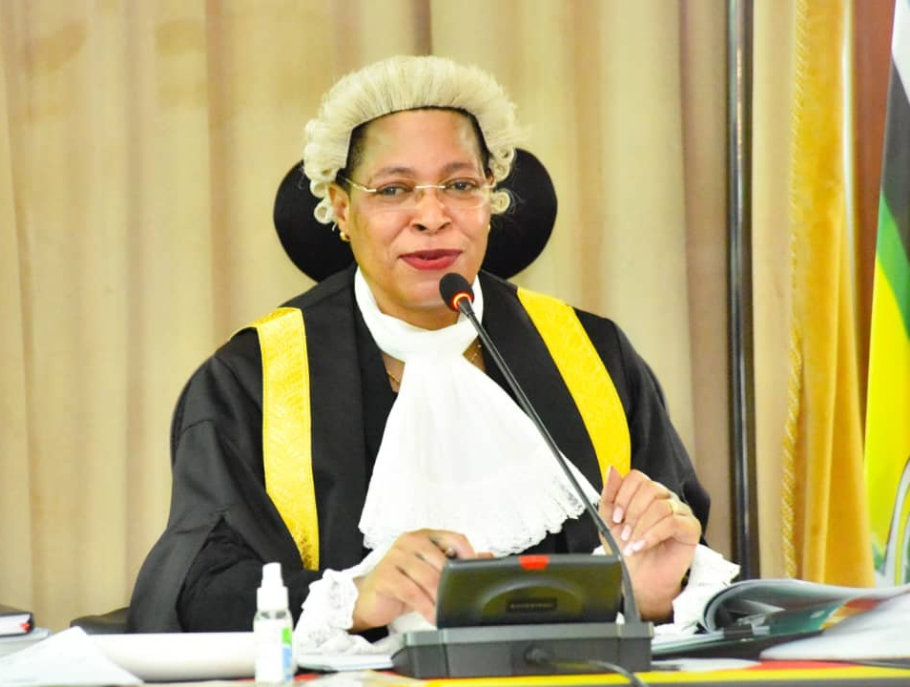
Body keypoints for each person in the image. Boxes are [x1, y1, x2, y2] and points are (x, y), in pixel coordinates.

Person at [127, 56, 737, 648]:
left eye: (460, 185)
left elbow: (674, 544)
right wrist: (354, 598)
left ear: (491, 197)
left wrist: (655, 593)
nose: (431, 216)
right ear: (341, 208)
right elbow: (197, 589)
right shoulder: (251, 378)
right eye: (394, 189)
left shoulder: (594, 356)